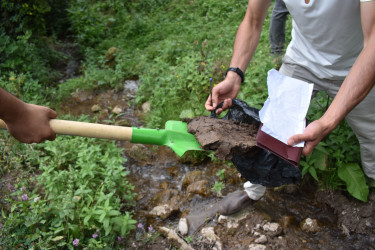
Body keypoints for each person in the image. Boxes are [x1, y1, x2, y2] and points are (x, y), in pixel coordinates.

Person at [205, 0, 375, 215]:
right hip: (302, 61)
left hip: (358, 64)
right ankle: (254, 189)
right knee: (273, 129)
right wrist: (234, 74)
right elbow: (253, 19)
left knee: (372, 135)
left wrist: (328, 121)